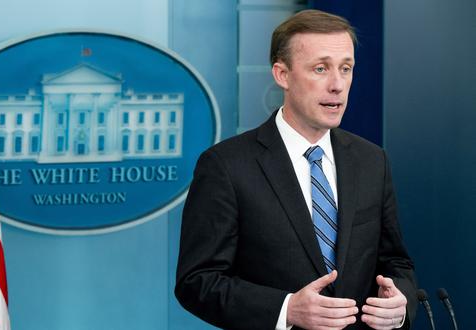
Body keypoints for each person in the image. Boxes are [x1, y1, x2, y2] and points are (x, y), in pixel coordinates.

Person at [175, 9, 417, 330]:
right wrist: (286, 309)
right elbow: (197, 282)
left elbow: (396, 262)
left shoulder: (371, 160)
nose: (337, 85)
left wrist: (400, 303)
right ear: (282, 75)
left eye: (346, 69)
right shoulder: (226, 166)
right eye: (320, 68)